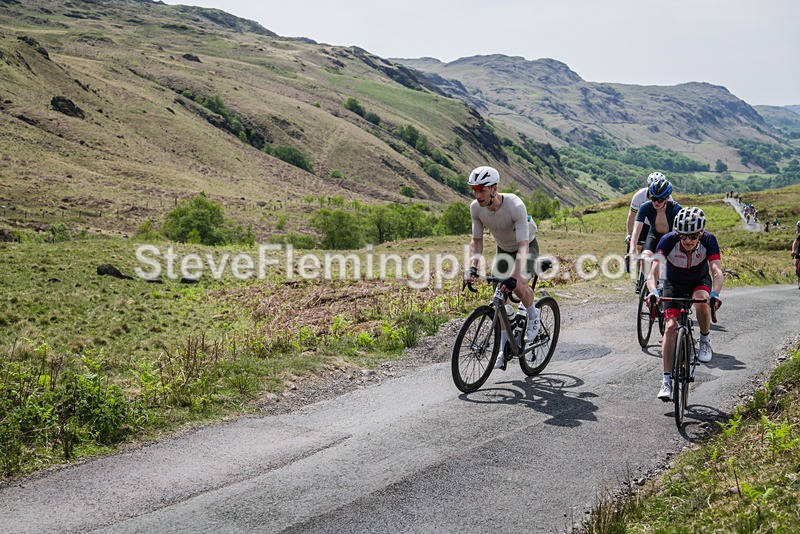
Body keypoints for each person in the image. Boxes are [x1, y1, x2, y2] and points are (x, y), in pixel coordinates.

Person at [465, 165, 540, 370]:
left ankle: (533, 315)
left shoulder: (515, 205)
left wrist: (515, 277)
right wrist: (472, 267)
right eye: (474, 189)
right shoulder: (475, 208)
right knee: (499, 296)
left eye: (481, 189)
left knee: (518, 285)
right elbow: (477, 241)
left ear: (494, 189)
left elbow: (524, 245)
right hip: (504, 250)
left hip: (526, 246)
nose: (477, 194)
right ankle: (504, 345)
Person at [645, 207, 723, 401]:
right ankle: (666, 381)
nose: (688, 241)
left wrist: (715, 293)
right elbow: (653, 273)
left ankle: (705, 341)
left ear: (701, 233)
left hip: (699, 280)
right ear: (677, 233)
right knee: (670, 327)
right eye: (684, 236)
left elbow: (716, 271)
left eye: (693, 236)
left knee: (701, 303)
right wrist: (653, 291)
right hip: (673, 283)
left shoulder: (709, 241)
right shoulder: (668, 241)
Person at [627, 178, 681, 287]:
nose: (656, 202)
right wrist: (632, 251)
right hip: (653, 237)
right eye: (653, 198)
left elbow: (674, 234)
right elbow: (636, 231)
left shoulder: (675, 208)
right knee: (644, 258)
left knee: (664, 263)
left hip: (670, 239)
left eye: (660, 200)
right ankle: (650, 284)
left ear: (667, 198)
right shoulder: (645, 207)